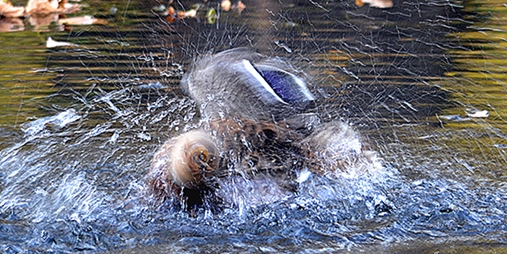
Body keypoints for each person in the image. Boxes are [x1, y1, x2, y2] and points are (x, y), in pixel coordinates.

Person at [147, 48, 375, 210]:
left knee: (205, 75)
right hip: (290, 157)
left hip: (302, 155)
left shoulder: (233, 142)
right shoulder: (184, 166)